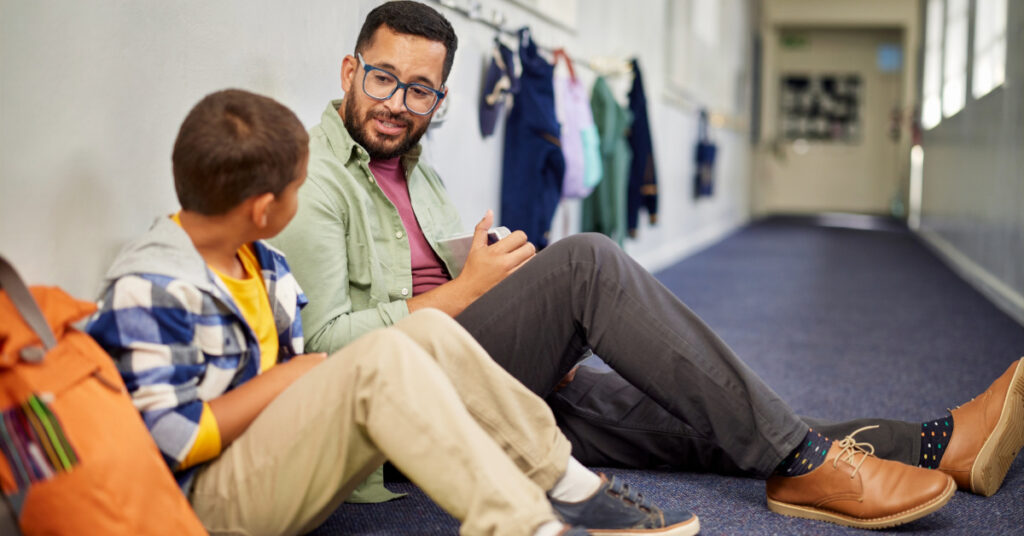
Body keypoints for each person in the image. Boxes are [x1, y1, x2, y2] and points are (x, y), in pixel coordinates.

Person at [270, 0, 1024, 530]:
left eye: (421, 90)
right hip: (396, 427)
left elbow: (434, 282)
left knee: (696, 414)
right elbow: (329, 356)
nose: (398, 103)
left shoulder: (417, 169)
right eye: (383, 78)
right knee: (589, 264)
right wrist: (477, 290)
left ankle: (932, 445)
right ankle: (802, 461)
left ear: (440, 97)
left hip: (480, 378)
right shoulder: (314, 181)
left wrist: (515, 300)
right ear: (349, 69)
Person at [84, 89, 703, 536]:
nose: (305, 197)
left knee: (427, 328)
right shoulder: (151, 285)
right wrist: (289, 380)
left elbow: (294, 389)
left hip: (275, 460)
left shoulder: (263, 265)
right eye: (299, 189)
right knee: (379, 355)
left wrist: (300, 381)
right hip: (205, 507)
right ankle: (524, 527)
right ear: (263, 207)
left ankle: (568, 485)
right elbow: (169, 440)